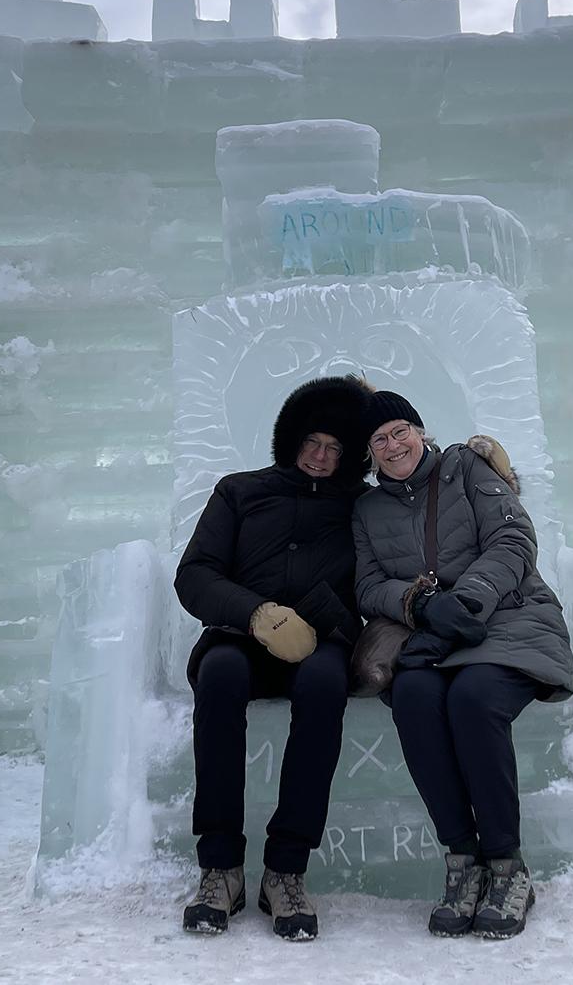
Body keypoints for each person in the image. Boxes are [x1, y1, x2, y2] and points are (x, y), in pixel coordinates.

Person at [352, 391, 573, 940]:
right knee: (414, 698)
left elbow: (513, 538)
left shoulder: (465, 467)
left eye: (401, 430)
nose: (393, 444)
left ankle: (506, 865)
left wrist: (469, 598)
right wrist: (420, 604)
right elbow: (366, 585)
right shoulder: (366, 508)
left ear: (421, 430)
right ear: (370, 453)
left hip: (506, 618)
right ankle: (463, 862)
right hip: (431, 635)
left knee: (474, 699)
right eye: (380, 439)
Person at [173, 375, 371, 940]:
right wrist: (257, 614)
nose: (320, 456)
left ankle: (285, 869)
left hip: (320, 642)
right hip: (241, 636)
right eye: (312, 441)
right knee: (220, 674)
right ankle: (221, 867)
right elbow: (195, 575)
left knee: (324, 686)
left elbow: (411, 478)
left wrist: (315, 616)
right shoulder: (239, 491)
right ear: (290, 438)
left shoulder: (361, 506)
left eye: (336, 448)